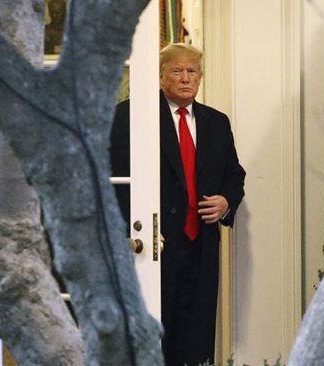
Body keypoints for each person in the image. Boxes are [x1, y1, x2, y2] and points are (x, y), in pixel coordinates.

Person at [110, 43, 246, 366]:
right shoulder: (131, 115)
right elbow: (113, 181)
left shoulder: (217, 122)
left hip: (201, 248)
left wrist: (226, 202)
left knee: (195, 339)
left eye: (192, 71)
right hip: (152, 247)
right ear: (160, 76)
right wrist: (133, 227)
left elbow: (235, 176)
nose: (186, 78)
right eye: (177, 71)